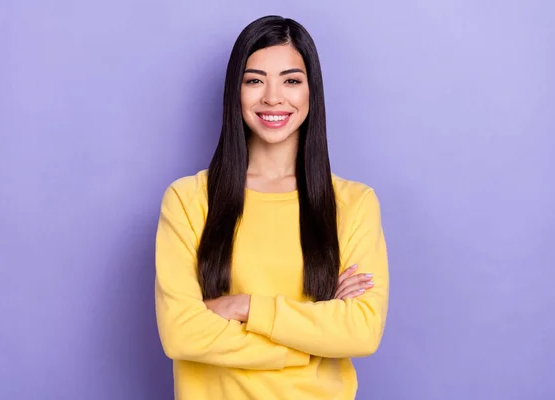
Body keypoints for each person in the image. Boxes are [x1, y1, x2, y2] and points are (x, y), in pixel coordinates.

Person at [154, 15, 389, 400]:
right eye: (255, 80)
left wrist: (244, 306)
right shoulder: (188, 200)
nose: (273, 97)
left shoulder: (353, 204)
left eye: (291, 80)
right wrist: (310, 343)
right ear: (237, 92)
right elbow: (181, 334)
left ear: (312, 91)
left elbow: (361, 330)